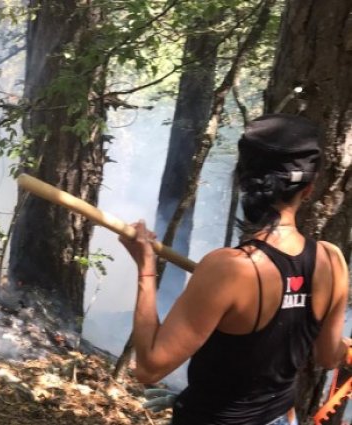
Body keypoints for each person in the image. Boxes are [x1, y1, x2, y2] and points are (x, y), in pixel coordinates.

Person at [120, 114, 349, 425]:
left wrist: (146, 270)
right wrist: (343, 348)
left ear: (241, 180)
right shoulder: (332, 260)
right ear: (308, 189)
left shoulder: (229, 270)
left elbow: (149, 367)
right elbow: (327, 357)